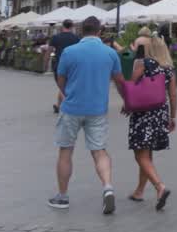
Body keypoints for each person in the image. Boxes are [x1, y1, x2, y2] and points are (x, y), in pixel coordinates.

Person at [50, 16, 125, 213]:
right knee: (99, 151)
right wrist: (127, 101)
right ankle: (107, 186)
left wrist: (68, 94)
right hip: (97, 109)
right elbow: (119, 81)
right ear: (100, 31)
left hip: (72, 108)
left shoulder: (69, 52)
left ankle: (63, 196)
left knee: (66, 151)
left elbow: (60, 79)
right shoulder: (110, 53)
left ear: (81, 31)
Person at [125, 28, 176, 210]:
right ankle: (139, 191)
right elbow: (173, 95)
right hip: (160, 113)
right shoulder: (167, 68)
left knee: (140, 155)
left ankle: (159, 187)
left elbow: (132, 85)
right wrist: (172, 117)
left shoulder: (142, 63)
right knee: (147, 154)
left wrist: (127, 105)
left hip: (142, 113)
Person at [49, 20, 80, 114]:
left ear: (62, 26)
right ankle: (58, 106)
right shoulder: (76, 38)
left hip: (59, 65)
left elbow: (49, 51)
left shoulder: (55, 37)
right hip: (73, 66)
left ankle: (68, 106)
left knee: (62, 86)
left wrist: (45, 62)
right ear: (72, 27)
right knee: (65, 86)